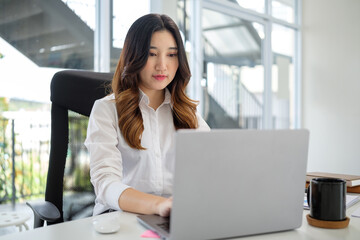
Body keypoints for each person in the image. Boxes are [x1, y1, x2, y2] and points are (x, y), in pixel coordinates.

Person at [84, 13, 210, 217]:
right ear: (134, 57)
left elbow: (213, 166)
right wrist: (159, 205)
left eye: (171, 54)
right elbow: (106, 183)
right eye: (152, 54)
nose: (162, 65)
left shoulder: (188, 113)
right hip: (120, 218)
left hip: (173, 217)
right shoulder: (106, 110)